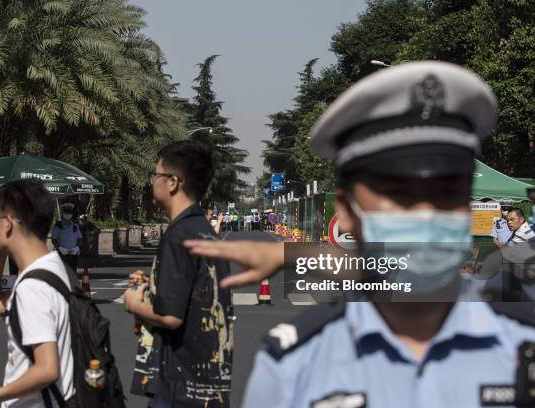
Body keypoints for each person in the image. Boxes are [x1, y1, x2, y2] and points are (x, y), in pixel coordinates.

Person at [185, 61, 535, 407]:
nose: (427, 213)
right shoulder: (296, 364)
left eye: (448, 191)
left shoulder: (523, 340)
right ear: (347, 212)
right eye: (399, 194)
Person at [124, 140, 233, 407]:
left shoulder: (177, 236)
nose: (153, 182)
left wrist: (134, 303)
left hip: (179, 388)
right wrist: (154, 285)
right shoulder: (206, 232)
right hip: (209, 386)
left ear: (172, 182)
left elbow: (170, 317)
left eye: (156, 175)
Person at [0, 179, 75, 407]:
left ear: (7, 224)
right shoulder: (51, 268)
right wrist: (0, 257)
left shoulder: (33, 287)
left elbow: (47, 369)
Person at [51, 203, 82, 273]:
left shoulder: (75, 226)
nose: (68, 214)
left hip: (73, 254)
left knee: (73, 273)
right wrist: (61, 248)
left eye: (70, 212)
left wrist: (77, 248)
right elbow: (54, 240)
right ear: (62, 213)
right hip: (62, 254)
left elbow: (80, 238)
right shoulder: (58, 226)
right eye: (66, 212)